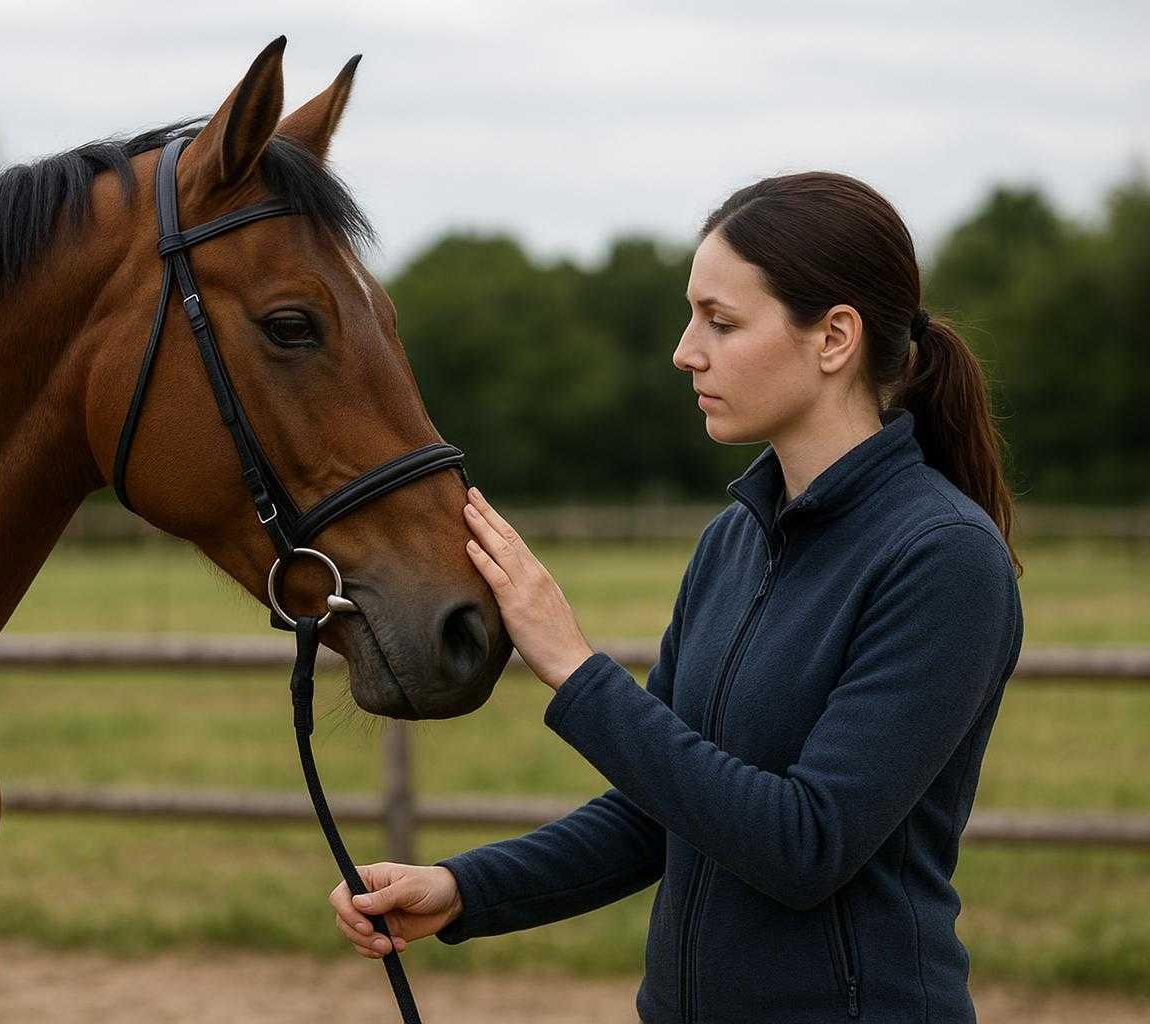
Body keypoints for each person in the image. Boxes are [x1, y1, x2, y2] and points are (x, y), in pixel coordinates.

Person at [328, 171, 1025, 1023]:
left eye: (721, 322)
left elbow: (805, 845)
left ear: (835, 337)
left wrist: (575, 669)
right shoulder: (733, 541)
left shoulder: (944, 560)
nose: (686, 350)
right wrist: (464, 888)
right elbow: (658, 815)